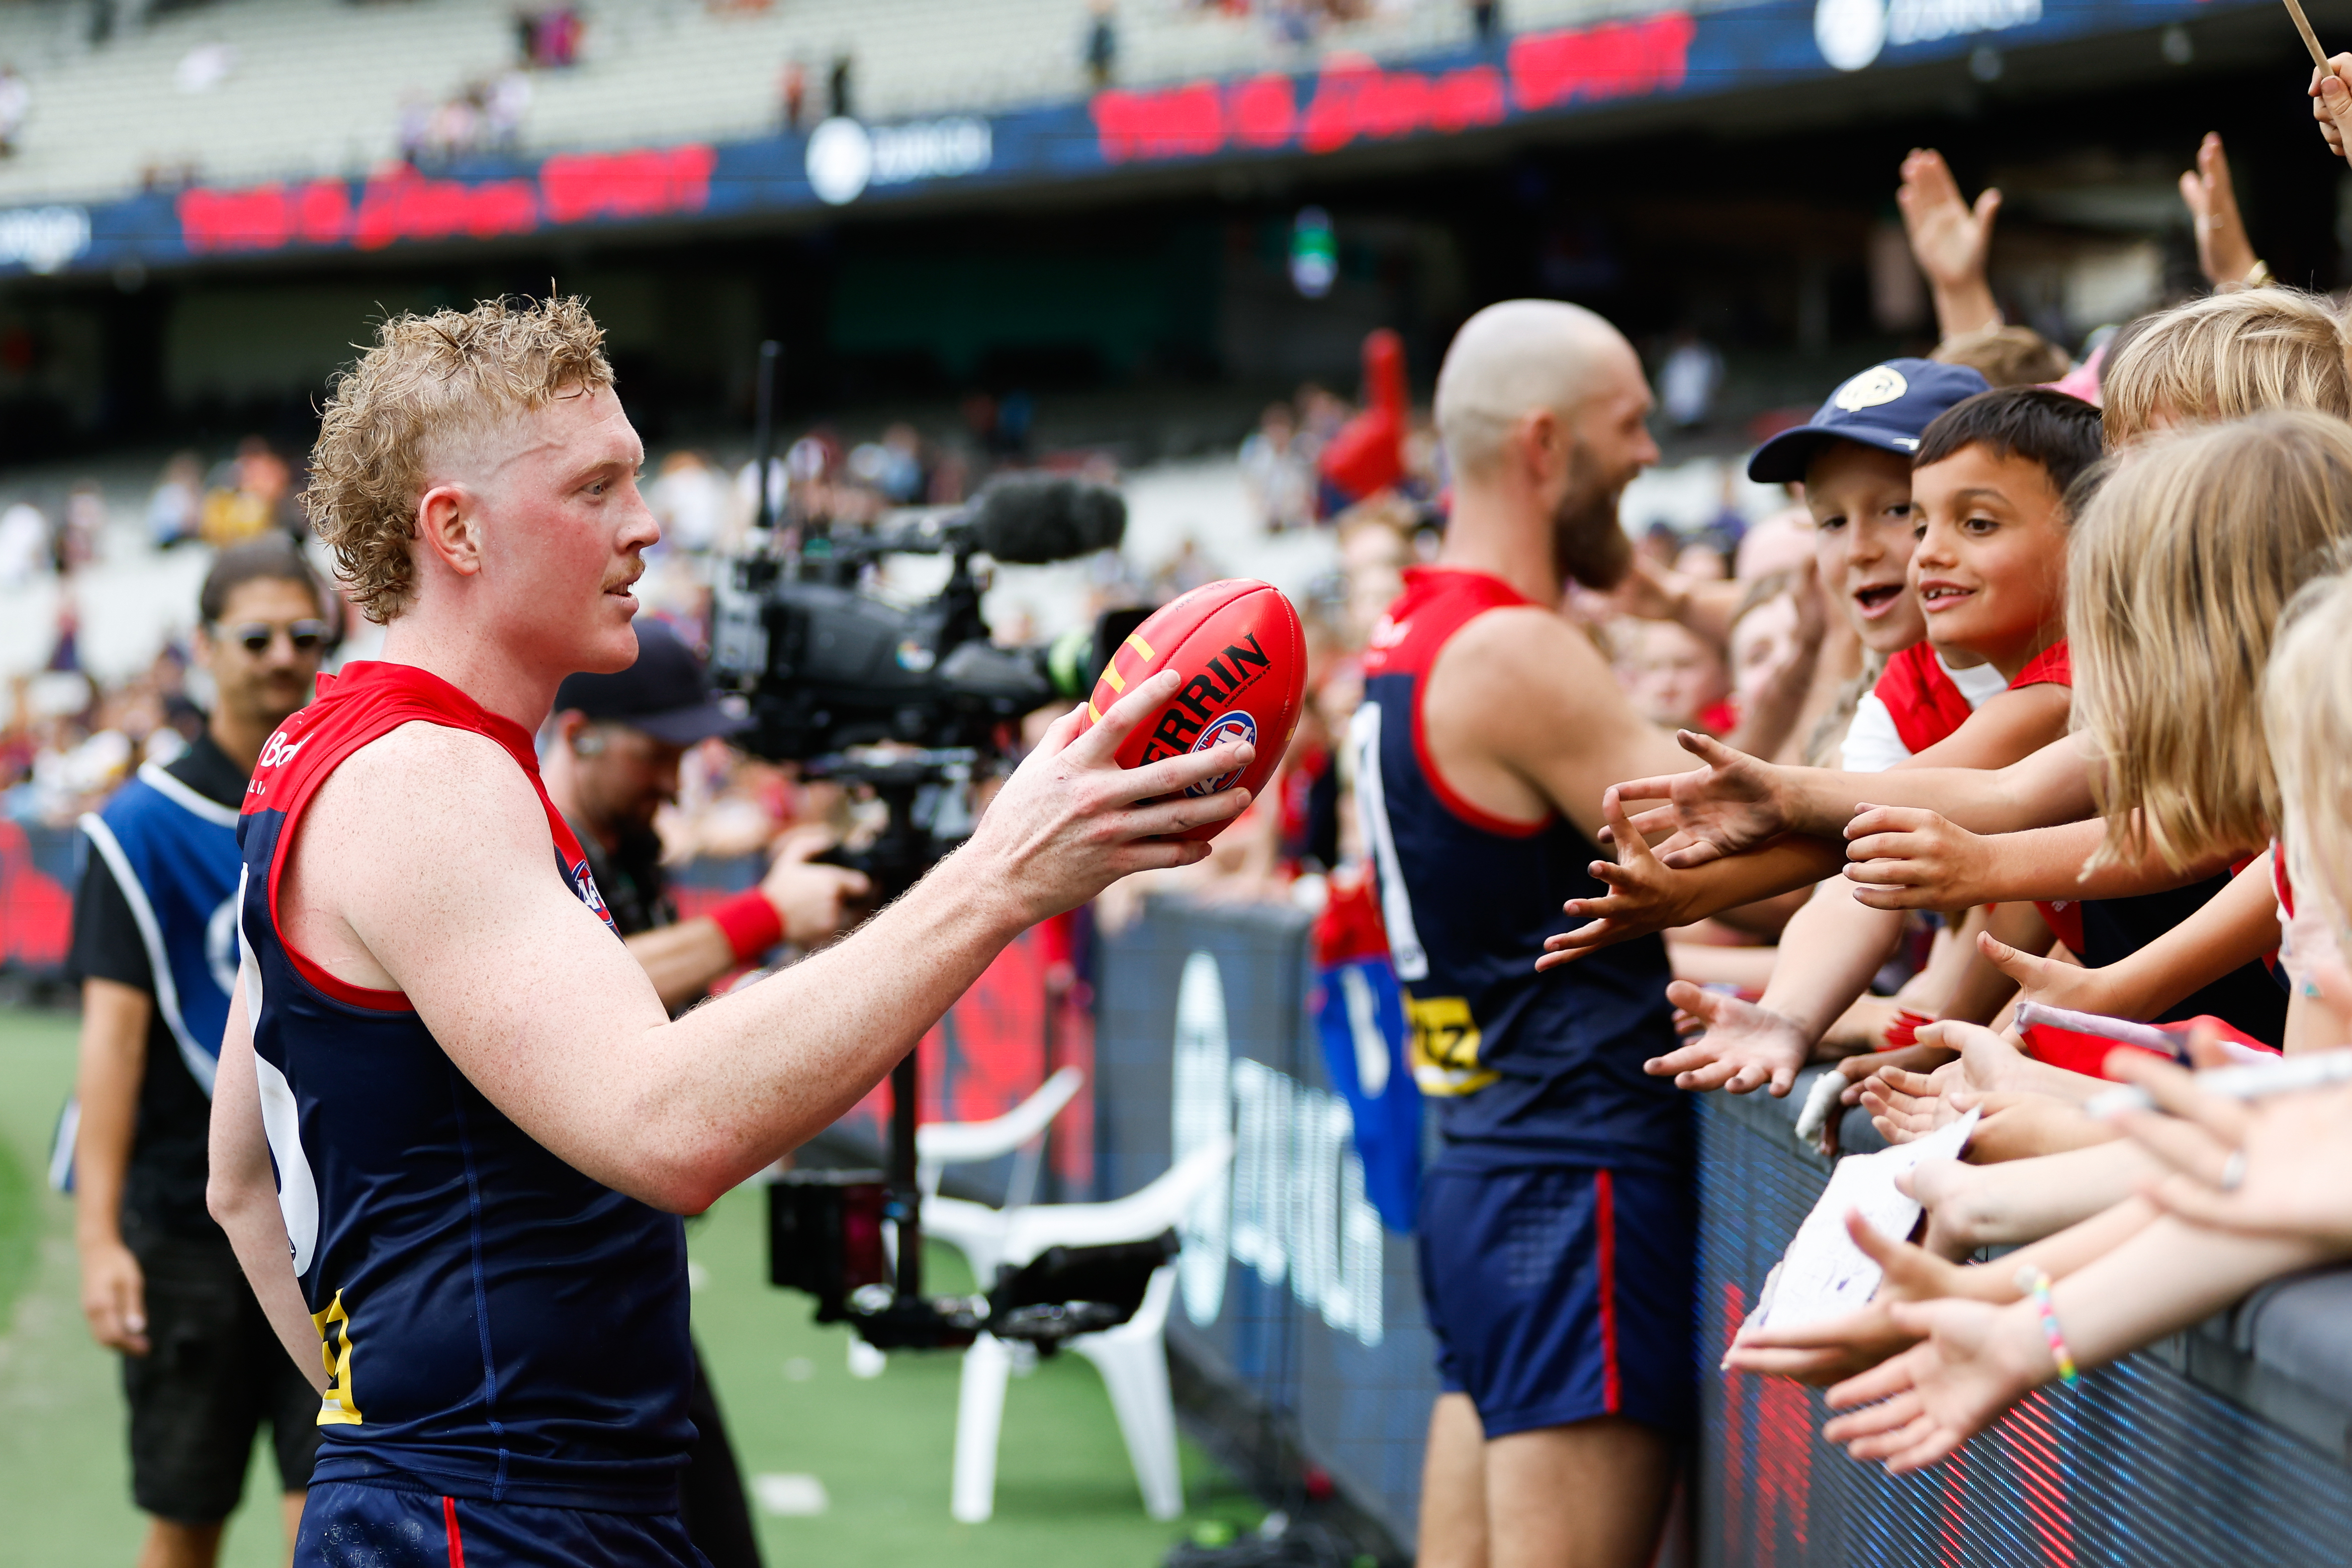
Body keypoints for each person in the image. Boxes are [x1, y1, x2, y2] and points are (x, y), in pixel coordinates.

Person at [202, 297, 1252, 1563]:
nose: (644, 526)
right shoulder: (428, 775)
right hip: (496, 1514)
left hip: (477, 1497)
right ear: (456, 528)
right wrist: (998, 877)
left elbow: (244, 1181)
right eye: (595, 488)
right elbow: (671, 1127)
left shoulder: (352, 748)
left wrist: (373, 1430)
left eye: (636, 481)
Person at [1348, 299, 1717, 1568]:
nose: (1651, 458)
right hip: (1577, 1174)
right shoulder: (1512, 647)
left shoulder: (1409, 635)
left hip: (1491, 1159)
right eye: (1632, 427)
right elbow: (1740, 855)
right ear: (1548, 444)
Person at [538, 618, 868, 1568]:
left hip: (628, 1288)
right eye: (660, 754)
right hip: (545, 1313)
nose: (676, 783)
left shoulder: (632, 857)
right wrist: (763, 914)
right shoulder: (527, 847)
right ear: (582, 731)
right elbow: (581, 992)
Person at [72, 539, 332, 1568]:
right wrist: (99, 1239)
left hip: (327, 1214)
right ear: (202, 648)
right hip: (185, 1221)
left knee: (333, 1505)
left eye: (304, 637)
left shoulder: (341, 797)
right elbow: (114, 1046)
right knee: (188, 1520)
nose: (280, 657)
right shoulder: (137, 826)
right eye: (255, 636)